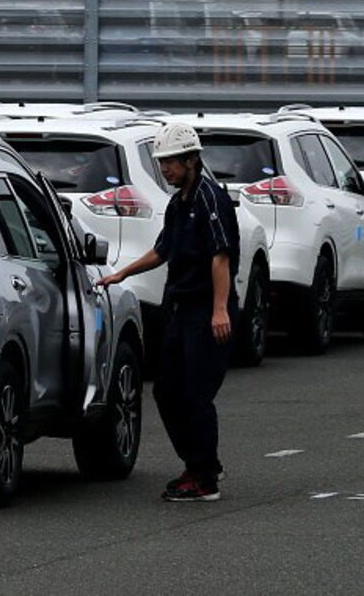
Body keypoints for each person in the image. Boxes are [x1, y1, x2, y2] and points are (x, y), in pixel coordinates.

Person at [97, 122, 239, 502]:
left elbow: (220, 257)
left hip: (207, 311)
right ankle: (199, 462)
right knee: (165, 390)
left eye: (171, 162)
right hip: (179, 307)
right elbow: (163, 250)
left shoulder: (210, 199)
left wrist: (220, 310)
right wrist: (123, 272)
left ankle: (204, 479)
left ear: (191, 160)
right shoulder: (178, 205)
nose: (165, 169)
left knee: (196, 393)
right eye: (161, 163)